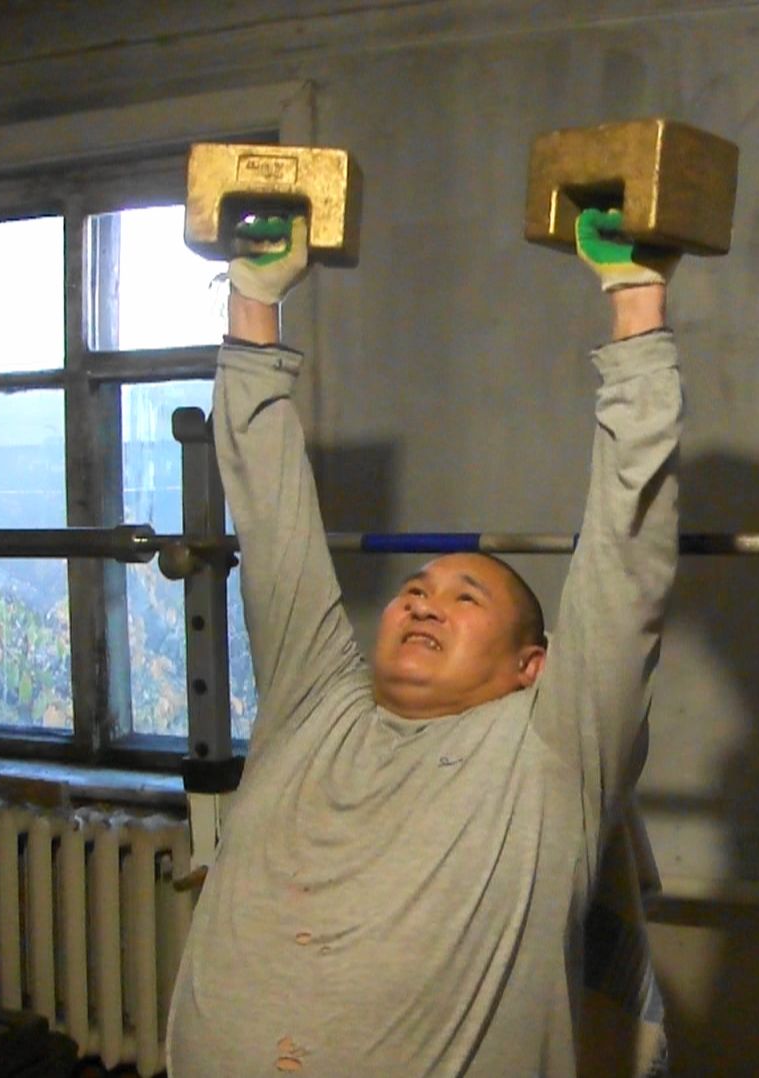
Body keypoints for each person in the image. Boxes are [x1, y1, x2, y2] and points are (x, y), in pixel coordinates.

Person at [166, 205, 684, 1077]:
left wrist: (635, 298)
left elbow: (627, 555)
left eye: (465, 595)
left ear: (533, 665)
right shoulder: (312, 704)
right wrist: (252, 299)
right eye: (414, 588)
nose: (422, 603)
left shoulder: (552, 747)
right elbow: (271, 516)